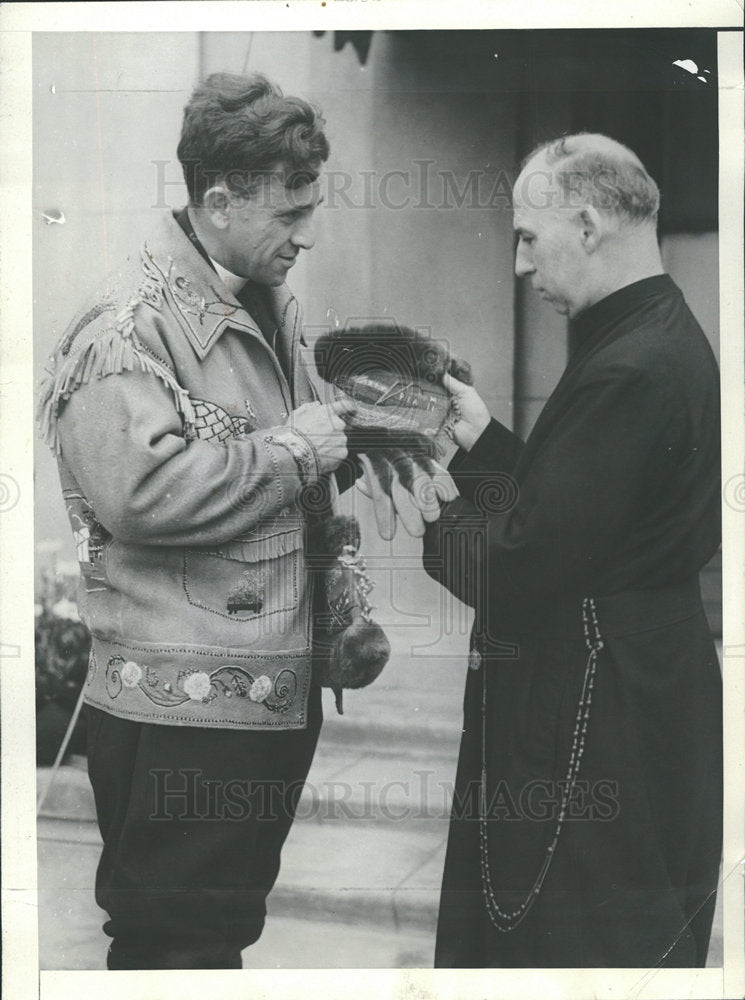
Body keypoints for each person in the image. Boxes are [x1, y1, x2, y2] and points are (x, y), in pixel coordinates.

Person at [38, 72, 356, 970]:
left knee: (217, 941)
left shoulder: (265, 300)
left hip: (258, 701)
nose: (306, 233)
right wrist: (296, 451)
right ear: (218, 202)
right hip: (180, 716)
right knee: (171, 947)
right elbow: (139, 493)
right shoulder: (124, 323)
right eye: (288, 214)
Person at [423, 133, 722, 967]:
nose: (520, 264)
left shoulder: (630, 365)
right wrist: (483, 442)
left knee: (571, 952)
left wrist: (433, 506)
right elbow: (588, 515)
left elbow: (521, 565)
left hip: (597, 712)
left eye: (527, 236)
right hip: (636, 682)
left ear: (586, 224)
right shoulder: (651, 333)